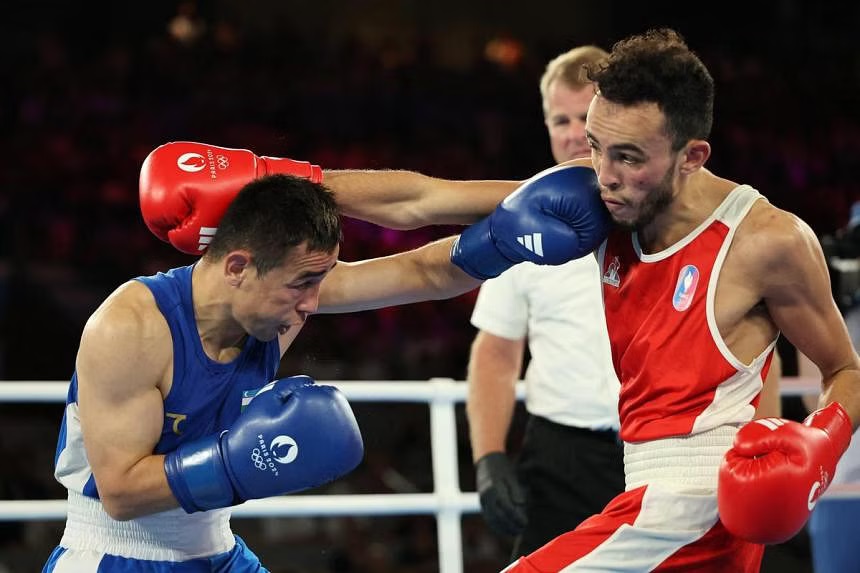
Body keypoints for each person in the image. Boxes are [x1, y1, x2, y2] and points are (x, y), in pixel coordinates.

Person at [42, 143, 609, 571]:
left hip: (215, 548)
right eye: (303, 283)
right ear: (237, 266)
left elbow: (423, 267)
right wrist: (234, 463)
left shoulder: (280, 298)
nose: (313, 303)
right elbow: (119, 493)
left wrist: (513, 230)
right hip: (112, 555)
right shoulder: (132, 327)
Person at [491, 27, 859, 572]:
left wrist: (818, 447)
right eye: (595, 146)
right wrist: (316, 186)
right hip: (623, 476)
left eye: (629, 156)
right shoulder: (594, 202)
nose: (605, 174)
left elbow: (836, 367)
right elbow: (425, 202)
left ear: (691, 156)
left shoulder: (764, 241)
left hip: (697, 503)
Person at [466, 44, 626, 559]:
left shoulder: (666, 211)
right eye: (562, 118)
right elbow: (495, 351)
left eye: (587, 115)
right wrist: (489, 457)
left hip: (665, 448)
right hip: (561, 455)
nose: (575, 131)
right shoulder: (518, 222)